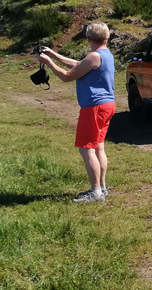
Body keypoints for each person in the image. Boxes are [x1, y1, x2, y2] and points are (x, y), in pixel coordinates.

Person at [37, 22, 116, 203]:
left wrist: (48, 62)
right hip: (107, 105)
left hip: (94, 107)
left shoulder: (94, 56)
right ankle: (102, 187)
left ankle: (95, 192)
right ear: (107, 37)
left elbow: (67, 76)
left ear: (88, 39)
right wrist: (53, 54)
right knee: (99, 147)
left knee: (86, 148)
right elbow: (79, 65)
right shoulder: (105, 55)